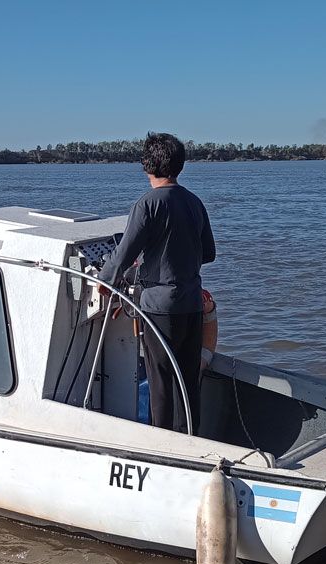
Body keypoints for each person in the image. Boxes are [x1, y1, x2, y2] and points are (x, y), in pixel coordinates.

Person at [97, 132, 216, 434]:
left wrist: (104, 280)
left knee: (161, 386)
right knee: (188, 385)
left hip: (159, 309)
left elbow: (123, 254)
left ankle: (164, 451)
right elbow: (209, 253)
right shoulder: (194, 202)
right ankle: (192, 443)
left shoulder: (146, 205)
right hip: (191, 306)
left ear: (146, 166)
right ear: (180, 165)